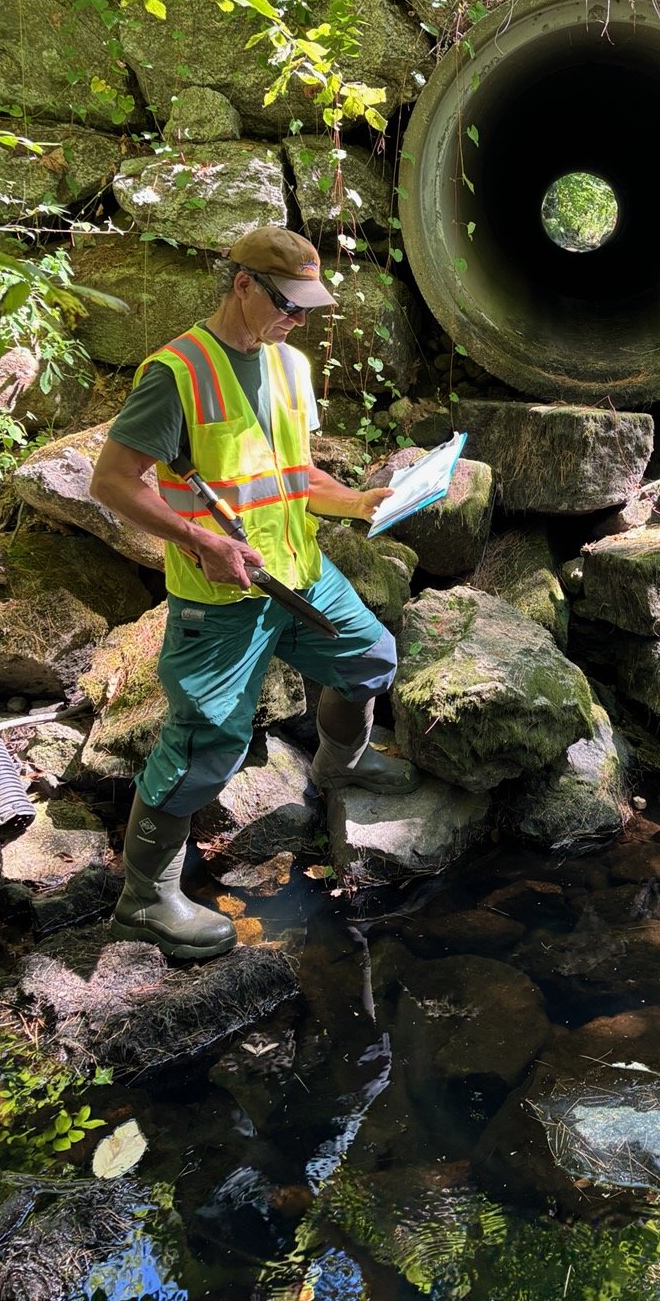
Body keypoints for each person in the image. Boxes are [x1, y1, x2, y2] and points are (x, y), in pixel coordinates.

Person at [89, 224, 417, 963]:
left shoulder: (291, 366)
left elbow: (295, 478)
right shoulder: (176, 373)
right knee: (207, 741)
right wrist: (199, 539)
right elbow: (110, 482)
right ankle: (144, 901)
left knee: (370, 656)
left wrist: (362, 502)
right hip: (222, 597)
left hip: (297, 572)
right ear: (241, 284)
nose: (297, 319)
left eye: (306, 307)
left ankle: (338, 765)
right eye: (286, 304)